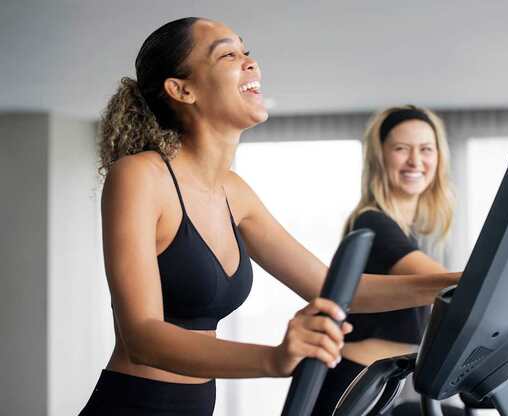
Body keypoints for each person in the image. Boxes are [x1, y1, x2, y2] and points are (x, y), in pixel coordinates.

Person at [78, 18, 459, 416]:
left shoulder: (234, 191)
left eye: (247, 52)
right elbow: (143, 338)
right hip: (131, 404)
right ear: (181, 89)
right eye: (228, 54)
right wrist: (275, 359)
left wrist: (460, 283)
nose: (250, 63)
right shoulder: (141, 176)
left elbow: (335, 288)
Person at [311, 105, 508, 416]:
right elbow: (453, 287)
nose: (415, 161)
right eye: (401, 149)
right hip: (357, 387)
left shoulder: (408, 231)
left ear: (438, 158)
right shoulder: (373, 222)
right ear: (379, 157)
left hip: (388, 383)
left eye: (426, 149)